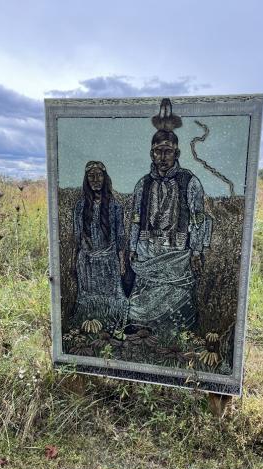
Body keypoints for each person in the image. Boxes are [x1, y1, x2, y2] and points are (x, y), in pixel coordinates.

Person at [128, 100, 212, 332]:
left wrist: (196, 250)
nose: (163, 156)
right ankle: (143, 335)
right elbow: (136, 217)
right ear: (151, 153)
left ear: (177, 152)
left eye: (168, 151)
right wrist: (133, 246)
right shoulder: (142, 184)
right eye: (158, 151)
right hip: (148, 249)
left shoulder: (190, 181)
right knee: (144, 296)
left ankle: (175, 337)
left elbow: (198, 218)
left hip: (177, 251)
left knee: (176, 297)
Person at [72, 161, 128, 328]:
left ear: (105, 178)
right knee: (88, 298)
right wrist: (74, 261)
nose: (96, 179)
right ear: (86, 180)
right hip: (87, 262)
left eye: (99, 175)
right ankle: (90, 328)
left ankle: (113, 328)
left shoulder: (115, 206)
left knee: (113, 297)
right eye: (91, 176)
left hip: (109, 261)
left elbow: (120, 236)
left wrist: (122, 261)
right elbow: (77, 238)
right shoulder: (80, 206)